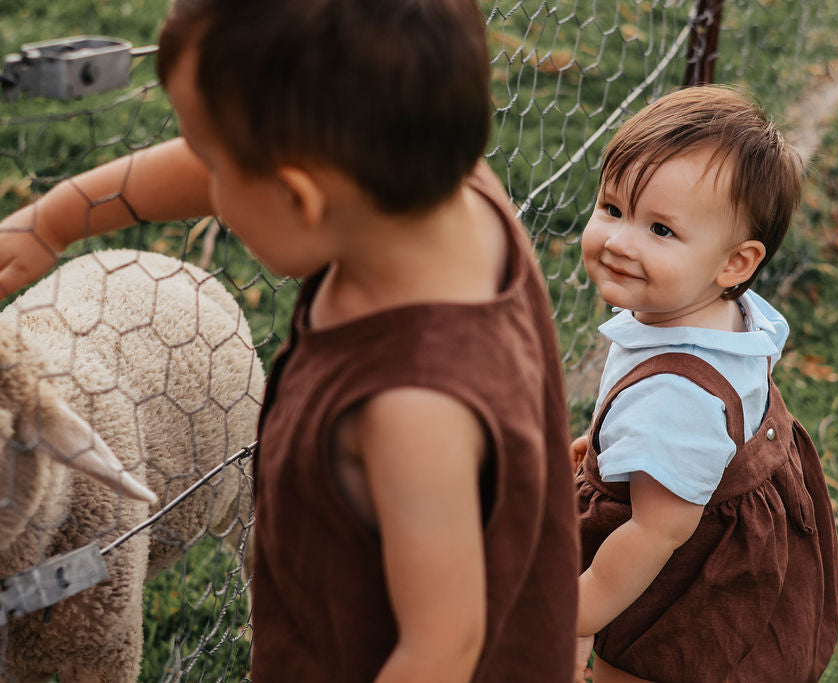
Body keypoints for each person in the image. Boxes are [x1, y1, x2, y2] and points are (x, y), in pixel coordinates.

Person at [0, 1, 579, 680]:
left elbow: (442, 646)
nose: (204, 180)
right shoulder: (433, 185)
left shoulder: (414, 408)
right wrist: (60, 216)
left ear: (299, 196)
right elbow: (255, 162)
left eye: (214, 165)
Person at [571, 86, 838, 682]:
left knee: (641, 667)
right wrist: (609, 449)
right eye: (612, 209)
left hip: (680, 571)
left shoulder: (675, 396)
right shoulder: (727, 316)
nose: (619, 241)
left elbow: (657, 528)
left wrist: (578, 611)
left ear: (735, 263)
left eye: (660, 230)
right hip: (728, 531)